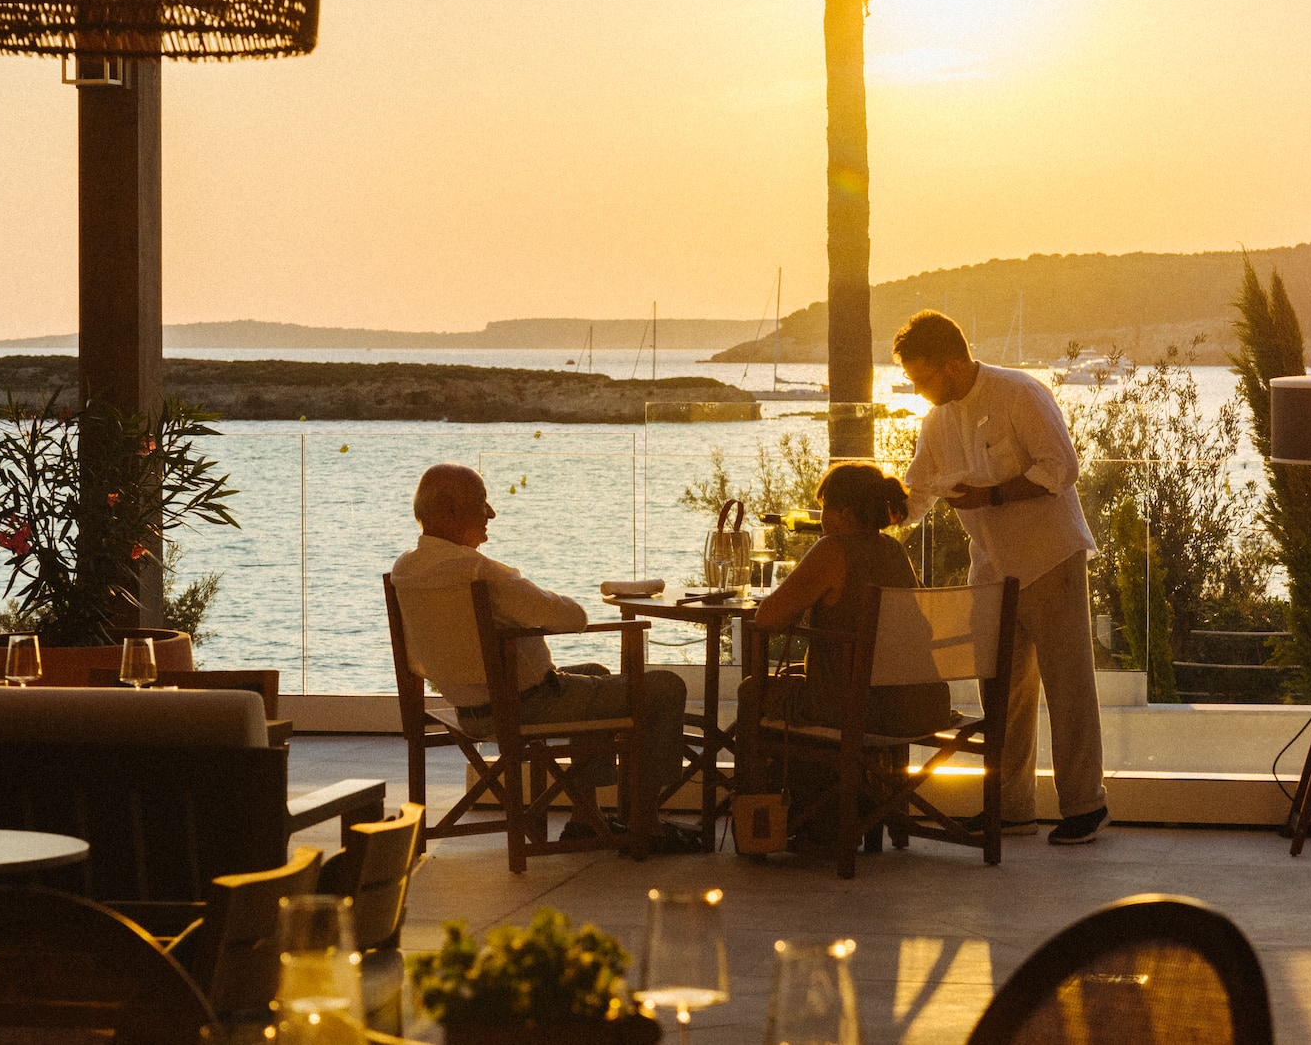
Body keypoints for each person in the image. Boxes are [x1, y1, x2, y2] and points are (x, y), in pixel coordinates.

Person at [390, 463, 705, 852]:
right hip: (521, 707)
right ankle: (646, 823)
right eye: (481, 503)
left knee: (596, 674)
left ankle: (584, 819)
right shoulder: (477, 572)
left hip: (468, 709)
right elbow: (571, 618)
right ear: (448, 511)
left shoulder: (405, 569)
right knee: (664, 688)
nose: (491, 513)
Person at [894, 311, 1109, 844]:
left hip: (1049, 558)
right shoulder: (936, 422)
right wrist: (862, 512)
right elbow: (915, 493)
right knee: (1003, 693)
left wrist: (991, 495)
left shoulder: (1019, 394)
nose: (916, 390)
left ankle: (1086, 805)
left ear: (951, 364)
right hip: (990, 566)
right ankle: (1011, 808)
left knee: (1068, 686)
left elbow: (1060, 467)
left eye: (921, 379)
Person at [741, 463, 954, 846]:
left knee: (754, 691)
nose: (821, 519)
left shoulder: (834, 548)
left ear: (842, 513)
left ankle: (766, 829)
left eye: (824, 508)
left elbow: (767, 617)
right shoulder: (893, 551)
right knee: (803, 683)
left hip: (861, 708)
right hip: (920, 703)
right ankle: (851, 815)